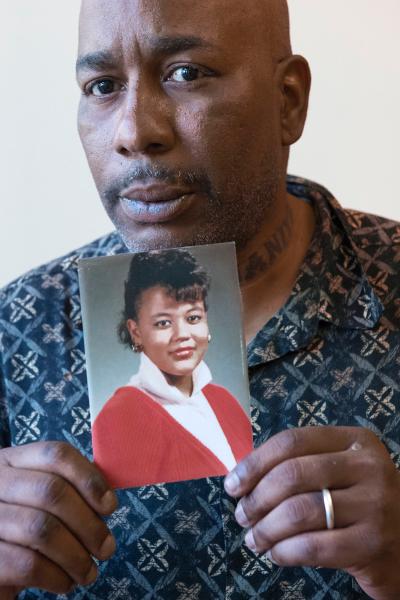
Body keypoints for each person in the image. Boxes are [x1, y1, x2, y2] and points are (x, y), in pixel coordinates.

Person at [0, 0, 400, 598]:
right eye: (103, 86)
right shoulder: (16, 331)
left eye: (187, 73)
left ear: (287, 101)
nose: (135, 133)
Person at [92, 249, 253, 488]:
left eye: (193, 318)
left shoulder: (224, 400)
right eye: (163, 323)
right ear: (136, 332)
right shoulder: (119, 418)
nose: (182, 335)